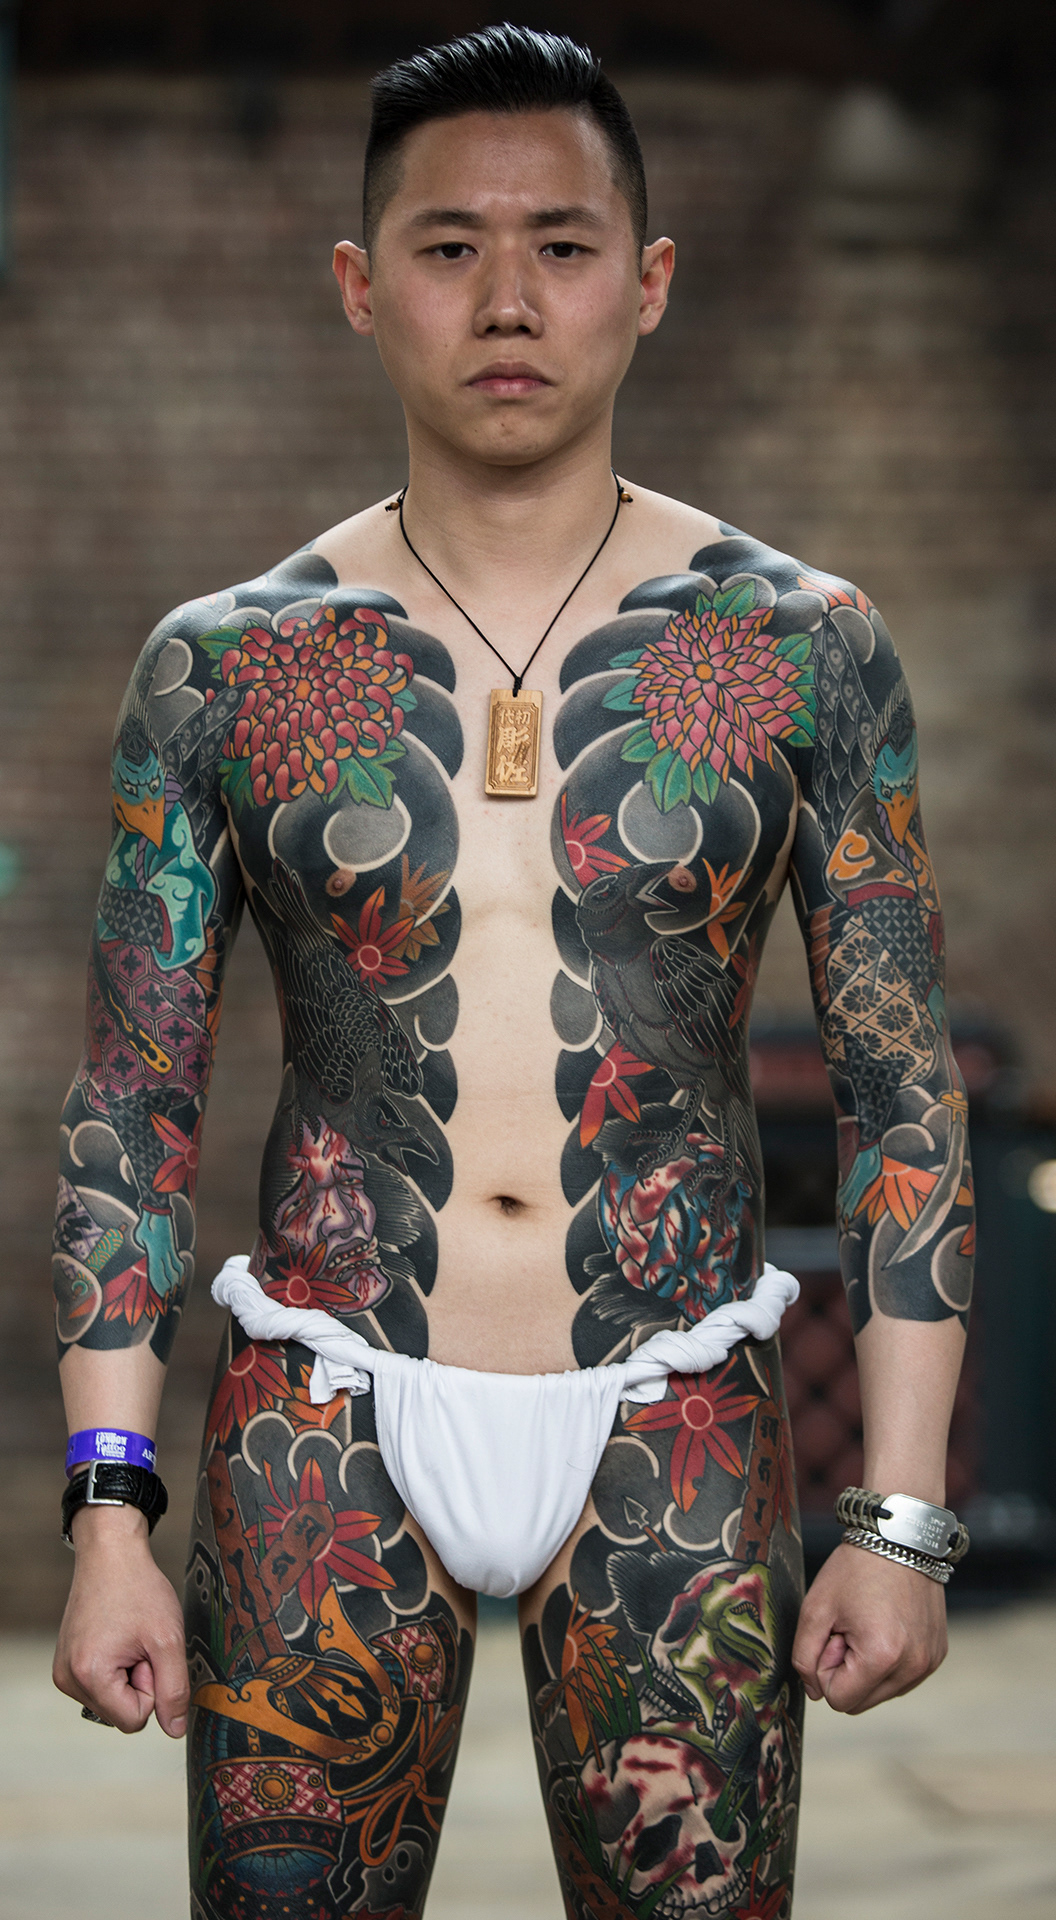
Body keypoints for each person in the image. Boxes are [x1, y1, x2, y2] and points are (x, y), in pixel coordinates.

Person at [51, 26, 973, 1920]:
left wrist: (899, 1520)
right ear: (359, 286)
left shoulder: (807, 646)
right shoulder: (217, 667)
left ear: (645, 284)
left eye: (560, 246)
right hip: (325, 1396)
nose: (506, 299)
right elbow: (131, 1106)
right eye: (450, 245)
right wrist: (109, 1510)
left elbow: (902, 1093)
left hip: (678, 1397)